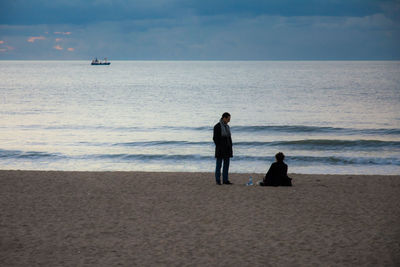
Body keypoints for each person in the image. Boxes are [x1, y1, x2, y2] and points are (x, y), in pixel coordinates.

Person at [213, 112, 233, 185]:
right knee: (219, 165)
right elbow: (215, 139)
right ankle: (218, 180)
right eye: (228, 119)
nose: (229, 120)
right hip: (220, 149)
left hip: (227, 149)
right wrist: (219, 147)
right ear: (224, 118)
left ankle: (225, 180)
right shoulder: (217, 126)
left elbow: (229, 137)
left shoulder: (227, 127)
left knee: (226, 165)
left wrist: (231, 146)